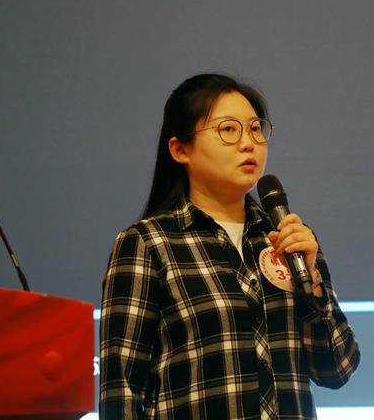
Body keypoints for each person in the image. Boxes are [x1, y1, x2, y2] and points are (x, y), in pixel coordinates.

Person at [100, 73, 360, 420]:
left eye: (255, 129)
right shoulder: (148, 243)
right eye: (228, 130)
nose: (249, 143)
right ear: (180, 149)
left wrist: (311, 283)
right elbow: (121, 393)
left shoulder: (289, 239)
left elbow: (337, 369)